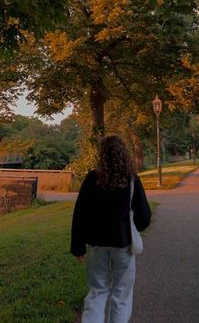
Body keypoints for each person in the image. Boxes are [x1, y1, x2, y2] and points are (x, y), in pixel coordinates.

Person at [70, 134, 151, 323]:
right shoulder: (131, 179)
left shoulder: (92, 178)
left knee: (97, 291)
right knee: (122, 294)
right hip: (123, 244)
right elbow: (144, 217)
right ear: (123, 153)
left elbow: (80, 214)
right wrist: (136, 226)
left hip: (96, 245)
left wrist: (78, 247)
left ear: (102, 154)